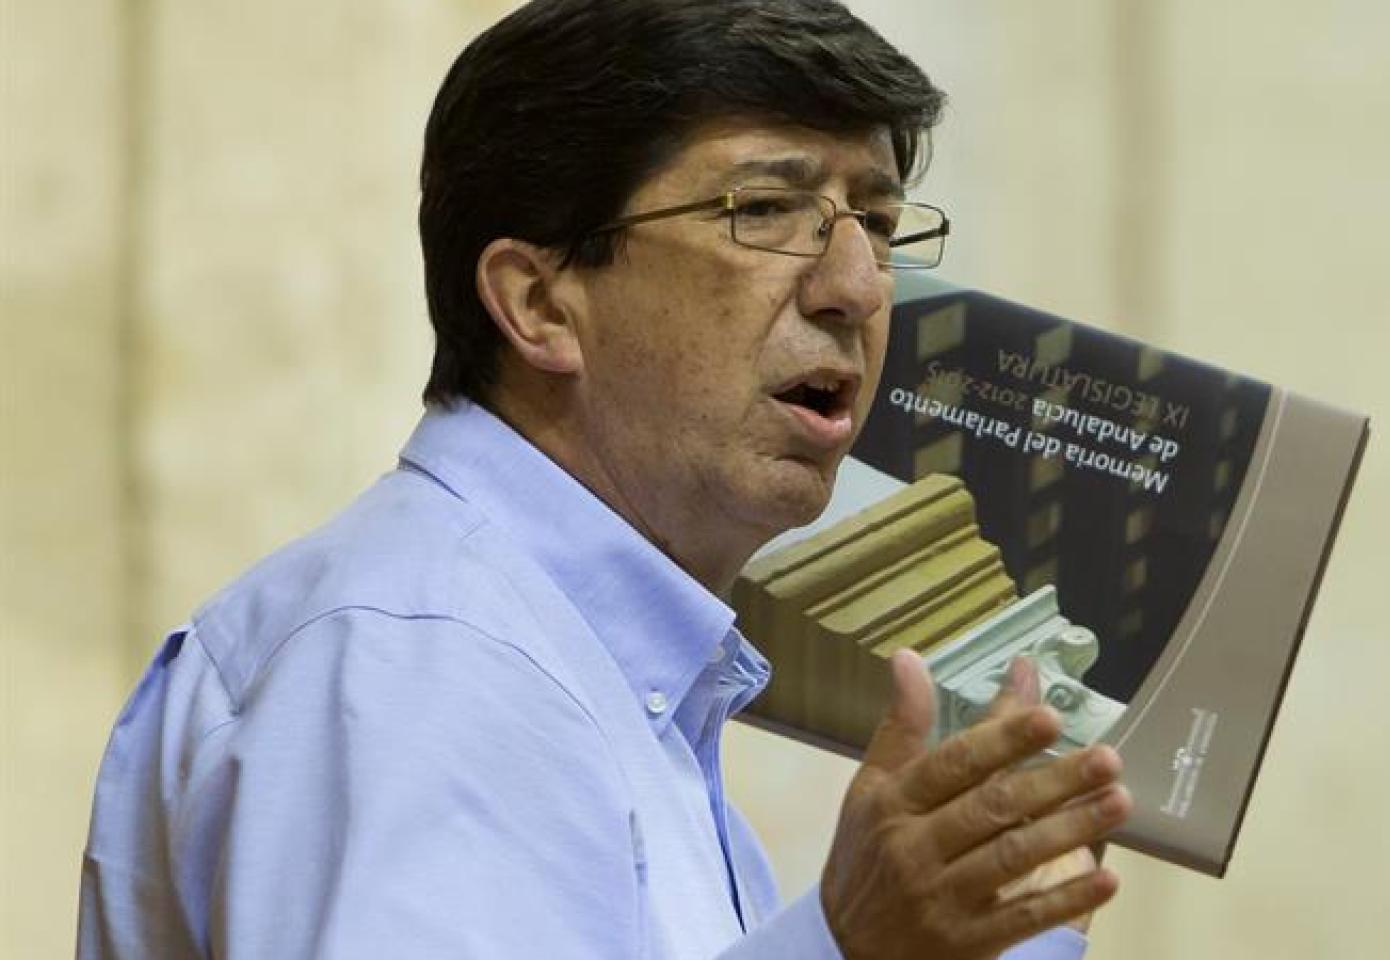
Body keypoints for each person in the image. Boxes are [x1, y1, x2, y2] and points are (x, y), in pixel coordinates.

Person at [78, 1, 1133, 957]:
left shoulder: (595, 670)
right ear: (538, 303)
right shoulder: (426, 658)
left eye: (880, 224)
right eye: (766, 209)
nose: (856, 286)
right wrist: (845, 948)